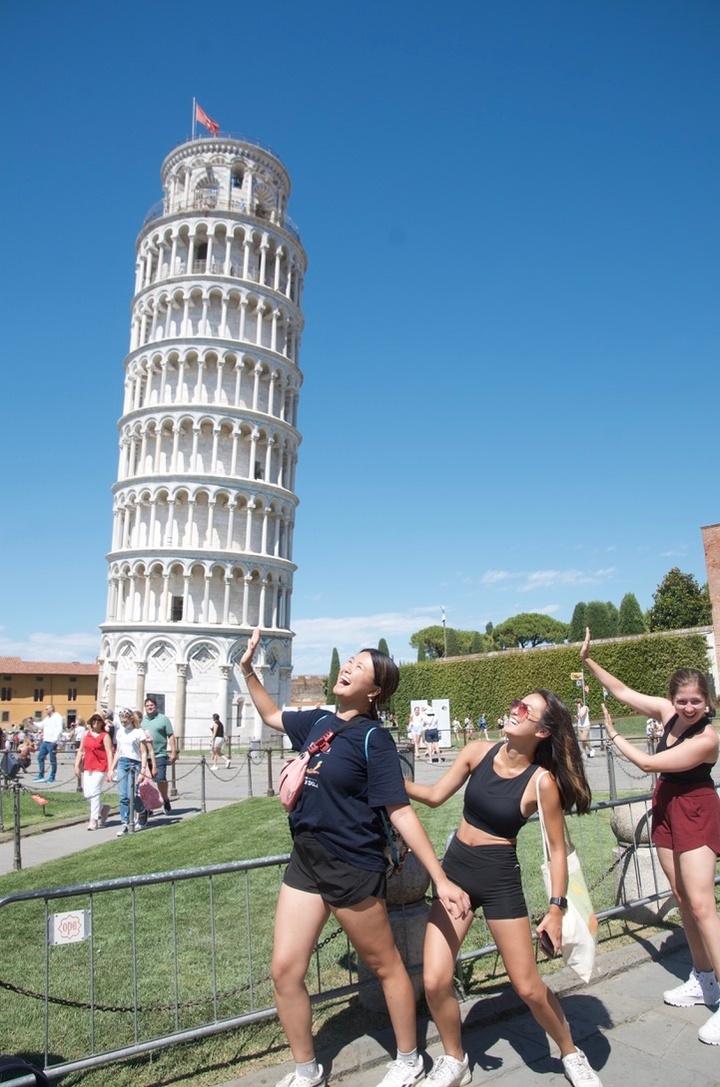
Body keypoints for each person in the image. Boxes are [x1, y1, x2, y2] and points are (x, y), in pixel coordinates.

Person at [240, 627, 470, 1087]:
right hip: (306, 860)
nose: (347, 667)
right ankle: (306, 1070)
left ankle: (409, 1059)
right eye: (349, 661)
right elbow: (269, 714)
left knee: (386, 966)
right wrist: (247, 670)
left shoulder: (374, 740)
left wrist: (440, 879)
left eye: (360, 667)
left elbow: (400, 812)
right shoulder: (319, 721)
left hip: (353, 865)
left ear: (375, 691)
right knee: (285, 970)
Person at [405, 691, 603, 1087]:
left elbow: (558, 850)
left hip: (499, 879)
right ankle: (454, 1059)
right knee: (434, 980)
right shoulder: (477, 751)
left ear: (543, 731)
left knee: (528, 987)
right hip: (456, 870)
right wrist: (385, 778)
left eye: (525, 710)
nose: (515, 710)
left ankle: (570, 1051)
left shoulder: (542, 782)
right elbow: (432, 796)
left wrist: (556, 908)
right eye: (515, 703)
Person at [581, 628, 720, 1046]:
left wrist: (614, 734)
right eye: (682, 700)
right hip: (666, 808)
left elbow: (647, 763)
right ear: (672, 699)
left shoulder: (708, 737)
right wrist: (588, 660)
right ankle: (705, 979)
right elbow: (622, 690)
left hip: (695, 808)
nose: (689, 707)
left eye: (697, 700)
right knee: (681, 897)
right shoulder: (667, 713)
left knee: (701, 904)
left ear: (709, 701)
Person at [111, 708, 156, 835]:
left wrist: (142, 770)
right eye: (121, 721)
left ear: (131, 719)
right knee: (123, 795)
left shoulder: (138, 732)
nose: (123, 724)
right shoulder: (120, 732)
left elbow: (143, 752)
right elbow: (118, 751)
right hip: (123, 763)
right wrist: (111, 768)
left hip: (134, 764)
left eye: (125, 721)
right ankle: (124, 823)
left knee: (133, 795)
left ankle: (142, 811)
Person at [74, 713, 113, 830]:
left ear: (102, 722)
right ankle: (103, 809)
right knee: (87, 794)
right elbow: (80, 750)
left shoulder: (104, 736)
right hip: (88, 766)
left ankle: (93, 819)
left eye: (98, 720)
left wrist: (110, 770)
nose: (96, 722)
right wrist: (76, 765)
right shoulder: (86, 735)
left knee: (95, 792)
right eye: (94, 720)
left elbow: (109, 753)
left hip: (101, 767)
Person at [142, 697, 177, 814]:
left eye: (151, 705)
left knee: (160, 779)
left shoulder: (163, 719)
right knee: (147, 783)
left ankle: (165, 799)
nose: (149, 707)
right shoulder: (142, 721)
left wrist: (173, 751)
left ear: (155, 706)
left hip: (160, 754)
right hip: (145, 756)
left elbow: (171, 735)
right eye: (147, 706)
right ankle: (149, 805)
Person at [32, 704, 64, 783]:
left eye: (47, 709)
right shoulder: (47, 718)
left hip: (52, 742)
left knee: (52, 760)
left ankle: (52, 777)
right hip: (45, 741)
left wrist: (55, 739)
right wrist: (32, 723)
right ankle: (41, 775)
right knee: (40, 757)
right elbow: (40, 725)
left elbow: (60, 729)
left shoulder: (57, 717)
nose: (45, 710)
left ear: (52, 708)